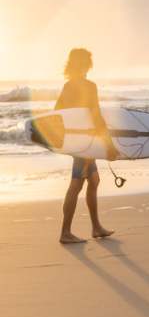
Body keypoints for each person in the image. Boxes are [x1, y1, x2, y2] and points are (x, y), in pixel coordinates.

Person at [56, 48, 118, 244]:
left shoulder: (67, 87)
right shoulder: (89, 85)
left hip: (78, 141)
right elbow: (96, 116)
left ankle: (96, 227)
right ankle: (65, 233)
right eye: (88, 62)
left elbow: (57, 113)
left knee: (94, 180)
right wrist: (109, 144)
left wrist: (65, 138)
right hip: (85, 144)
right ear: (86, 64)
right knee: (76, 184)